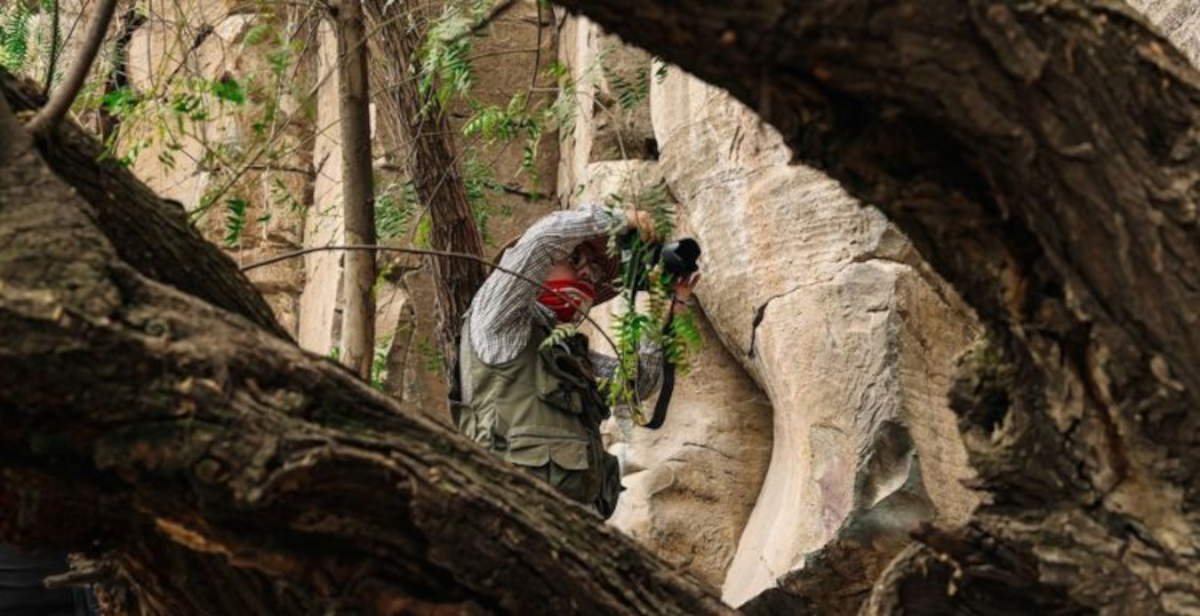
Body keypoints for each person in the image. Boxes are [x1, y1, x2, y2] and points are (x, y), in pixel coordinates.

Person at [454, 204, 696, 518]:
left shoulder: (564, 352)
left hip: (577, 523)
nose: (586, 274)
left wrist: (664, 312)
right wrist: (618, 220)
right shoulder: (496, 321)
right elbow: (542, 241)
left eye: (595, 270)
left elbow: (637, 387)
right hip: (513, 514)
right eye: (576, 259)